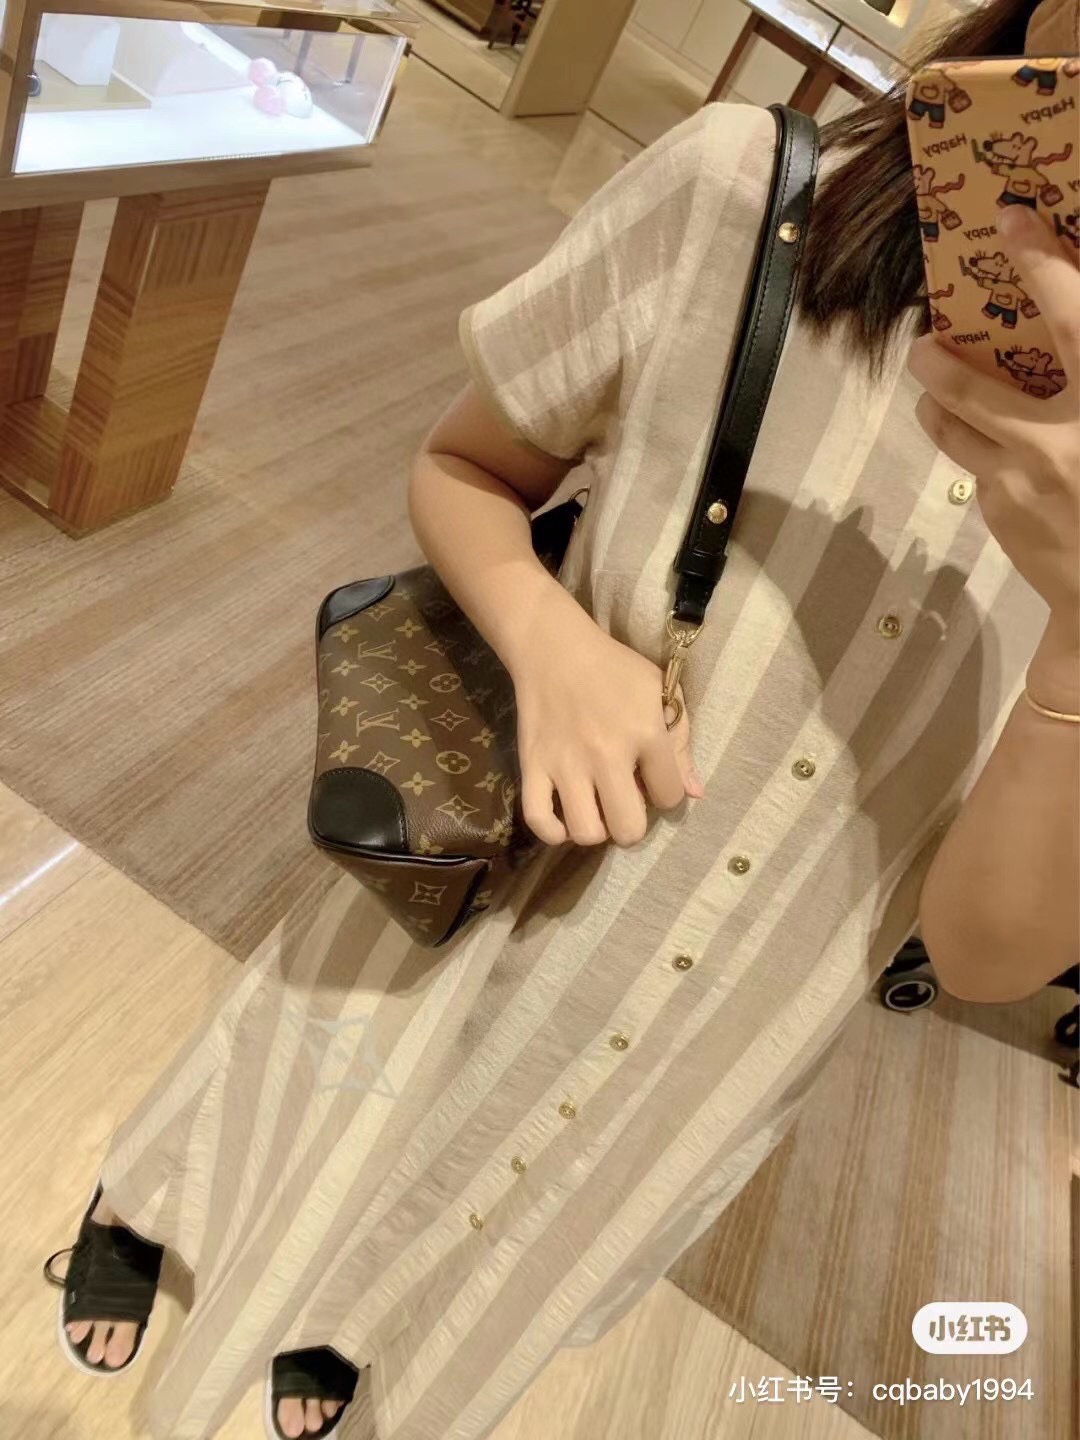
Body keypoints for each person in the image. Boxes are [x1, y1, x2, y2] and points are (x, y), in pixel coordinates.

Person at [44, 1, 1078, 1437]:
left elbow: (983, 955)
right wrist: (551, 644)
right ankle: (144, 1201)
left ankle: (343, 1325)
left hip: (717, 1035)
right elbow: (468, 464)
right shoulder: (746, 193)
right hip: (499, 874)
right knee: (299, 1096)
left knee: (468, 1243)